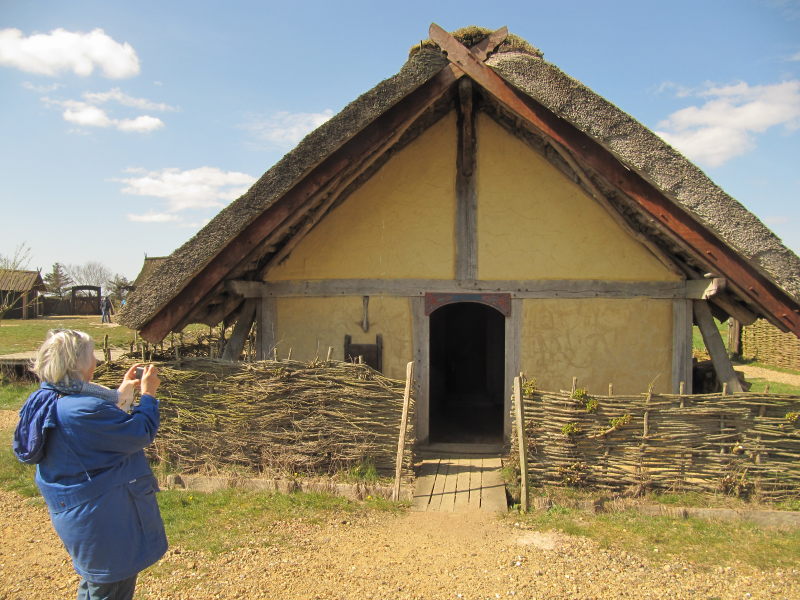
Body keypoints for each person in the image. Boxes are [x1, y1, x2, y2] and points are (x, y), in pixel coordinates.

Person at [13, 329, 167, 600]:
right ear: (77, 364)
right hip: (104, 516)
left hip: (80, 514)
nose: (95, 361)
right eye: (91, 355)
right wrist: (149, 396)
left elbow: (94, 435)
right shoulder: (83, 410)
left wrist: (123, 391)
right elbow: (139, 432)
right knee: (111, 588)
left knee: (96, 584)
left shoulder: (48, 399)